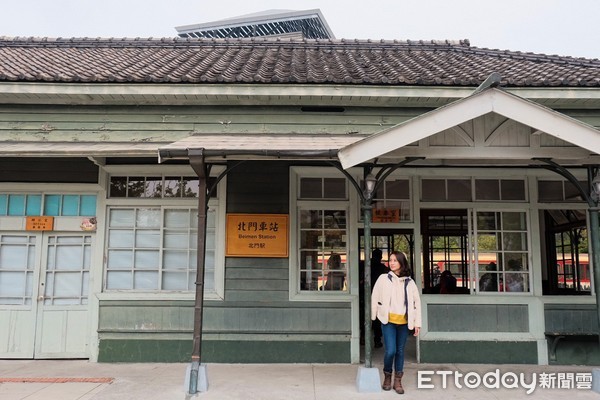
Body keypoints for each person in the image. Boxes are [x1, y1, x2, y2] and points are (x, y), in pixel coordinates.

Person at [371, 251, 421, 394]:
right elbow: (375, 296)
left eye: (395, 260)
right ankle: (387, 375)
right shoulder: (383, 278)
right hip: (388, 322)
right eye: (390, 260)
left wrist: (417, 323)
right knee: (390, 350)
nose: (391, 263)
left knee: (400, 351)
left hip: (404, 323)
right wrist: (374, 317)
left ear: (401, 262)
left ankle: (398, 380)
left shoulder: (410, 282)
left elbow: (416, 303)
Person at [370, 249, 388, 347]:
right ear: (380, 257)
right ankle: (377, 339)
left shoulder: (365, 266)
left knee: (364, 317)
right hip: (379, 296)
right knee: (377, 318)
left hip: (365, 295)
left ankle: (363, 337)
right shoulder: (383, 268)